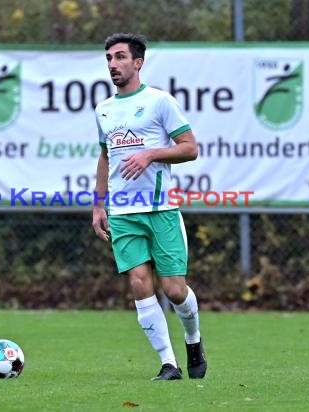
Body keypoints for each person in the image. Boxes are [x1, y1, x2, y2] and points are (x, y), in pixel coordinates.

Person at [92, 33, 207, 381]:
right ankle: (168, 363)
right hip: (123, 212)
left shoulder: (160, 102)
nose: (113, 64)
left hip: (161, 210)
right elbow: (104, 156)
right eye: (109, 58)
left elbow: (190, 148)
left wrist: (151, 153)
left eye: (120, 57)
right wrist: (98, 206)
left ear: (137, 63)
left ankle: (193, 339)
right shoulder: (104, 110)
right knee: (140, 283)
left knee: (174, 290)